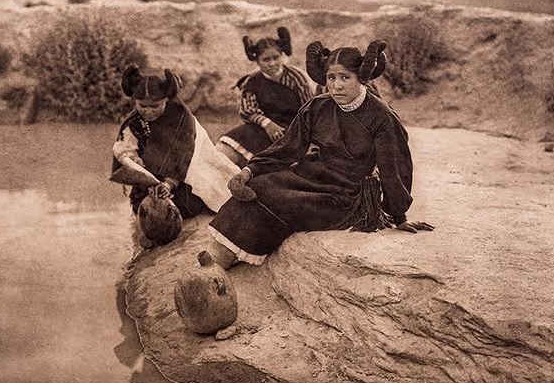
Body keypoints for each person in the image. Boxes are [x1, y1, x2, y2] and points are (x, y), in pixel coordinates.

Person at [207, 40, 434, 268]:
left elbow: (394, 167)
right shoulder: (317, 107)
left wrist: (399, 215)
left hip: (349, 194)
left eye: (345, 78)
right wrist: (249, 170)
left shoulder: (381, 116)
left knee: (281, 199)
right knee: (260, 185)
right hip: (315, 174)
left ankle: (222, 260)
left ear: (361, 78)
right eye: (331, 78)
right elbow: (287, 148)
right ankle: (221, 252)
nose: (336, 86)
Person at [111, 65, 239, 218]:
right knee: (140, 206)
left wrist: (168, 184)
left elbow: (184, 157)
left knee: (189, 206)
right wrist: (134, 161)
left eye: (155, 106)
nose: (148, 111)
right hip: (150, 176)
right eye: (142, 106)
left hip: (184, 175)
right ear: (135, 102)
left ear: (166, 100)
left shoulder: (181, 119)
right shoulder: (134, 123)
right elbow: (125, 148)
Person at [216, 27, 314, 168]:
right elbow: (247, 110)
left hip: (293, 129)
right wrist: (267, 124)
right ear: (257, 61)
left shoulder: (297, 77)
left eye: (275, 57)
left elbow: (309, 108)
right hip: (262, 128)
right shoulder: (252, 81)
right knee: (228, 147)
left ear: (281, 56)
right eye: (266, 60)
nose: (272, 63)